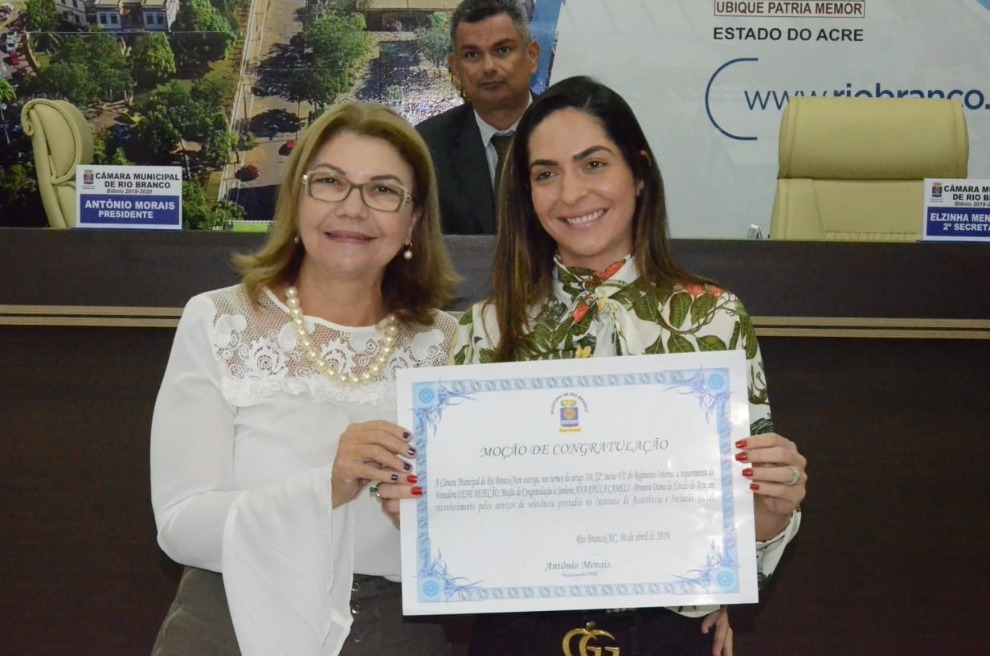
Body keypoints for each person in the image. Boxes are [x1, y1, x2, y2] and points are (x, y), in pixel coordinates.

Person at [451, 76, 807, 656]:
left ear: (638, 173)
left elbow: (746, 527)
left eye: (593, 164)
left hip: (667, 631)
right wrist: (420, 504)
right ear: (526, 194)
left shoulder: (713, 318)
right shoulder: (482, 334)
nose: (570, 194)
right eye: (545, 174)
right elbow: (461, 529)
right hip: (518, 635)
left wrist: (772, 508)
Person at [150, 102, 460, 656]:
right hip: (231, 623)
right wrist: (327, 488)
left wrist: (428, 519)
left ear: (414, 220)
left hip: (400, 634)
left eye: (383, 190)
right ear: (297, 199)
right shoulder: (219, 320)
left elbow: (481, 536)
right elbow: (180, 526)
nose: (353, 208)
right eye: (330, 183)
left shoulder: (456, 345)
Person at [417, 0, 540, 234]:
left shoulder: (569, 132)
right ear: (456, 68)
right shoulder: (428, 146)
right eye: (472, 55)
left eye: (502, 50)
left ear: (532, 56)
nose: (489, 67)